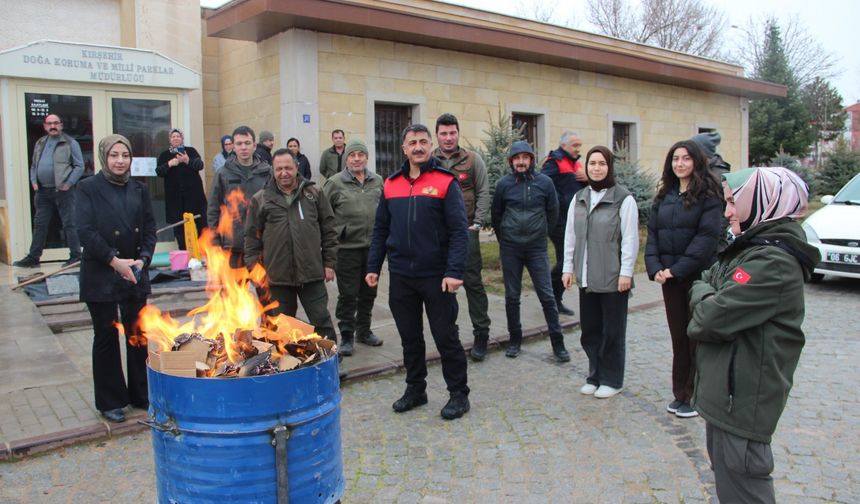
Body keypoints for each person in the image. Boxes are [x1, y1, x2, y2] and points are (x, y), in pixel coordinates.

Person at [688, 167, 819, 503]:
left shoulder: (773, 261)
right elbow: (707, 277)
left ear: (764, 202)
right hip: (726, 399)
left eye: (734, 202)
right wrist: (709, 288)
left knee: (744, 493)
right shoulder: (750, 249)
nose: (728, 211)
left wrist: (705, 292)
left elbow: (709, 318)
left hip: (741, 405)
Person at [366, 124, 470, 420]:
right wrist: (373, 266)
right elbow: (380, 229)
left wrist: (454, 271)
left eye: (424, 141)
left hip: (437, 277)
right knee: (410, 337)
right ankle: (416, 389)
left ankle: (459, 394)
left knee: (445, 336)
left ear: (431, 145)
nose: (419, 146)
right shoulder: (391, 183)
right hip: (401, 275)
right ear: (404, 148)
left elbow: (459, 232)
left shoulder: (445, 182)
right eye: (413, 142)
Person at [76, 134, 157, 424]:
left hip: (134, 272)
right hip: (102, 272)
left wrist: (143, 259)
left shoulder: (139, 189)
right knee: (106, 336)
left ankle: (141, 393)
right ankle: (111, 400)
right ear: (104, 157)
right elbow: (85, 231)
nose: (120, 160)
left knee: (138, 334)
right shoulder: (87, 188)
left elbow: (149, 229)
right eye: (114, 155)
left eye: (125, 155)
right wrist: (114, 261)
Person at [645, 140, 722, 419]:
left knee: (696, 336)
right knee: (679, 337)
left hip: (696, 277)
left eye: (686, 158)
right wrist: (655, 268)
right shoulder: (664, 195)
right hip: (670, 279)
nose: (680, 163)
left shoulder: (709, 195)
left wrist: (677, 269)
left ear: (696, 162)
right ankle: (681, 393)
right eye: (675, 158)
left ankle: (696, 394)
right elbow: (652, 234)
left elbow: (706, 239)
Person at [562, 146, 639, 399]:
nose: (596, 168)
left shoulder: (623, 199)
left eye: (602, 163)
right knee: (591, 330)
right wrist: (568, 268)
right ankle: (594, 375)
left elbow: (629, 239)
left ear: (609, 167)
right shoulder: (580, 198)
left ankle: (612, 379)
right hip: (587, 276)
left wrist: (626, 273)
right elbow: (570, 236)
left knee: (612, 331)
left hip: (613, 277)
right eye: (592, 163)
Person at [245, 149, 338, 343]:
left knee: (321, 321)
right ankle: (283, 366)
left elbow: (329, 229)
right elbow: (252, 239)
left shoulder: (314, 194)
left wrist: (329, 263)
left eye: (288, 167)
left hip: (311, 273)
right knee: (279, 327)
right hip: (277, 277)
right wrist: (254, 269)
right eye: (278, 169)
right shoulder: (261, 199)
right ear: (273, 170)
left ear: (297, 167)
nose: (283, 172)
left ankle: (333, 363)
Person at [491, 141, 569, 362]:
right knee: (512, 296)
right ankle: (515, 339)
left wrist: (542, 233)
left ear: (531, 160)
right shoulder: (503, 185)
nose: (521, 162)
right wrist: (505, 238)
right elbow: (497, 215)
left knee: (547, 295)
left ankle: (558, 343)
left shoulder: (545, 183)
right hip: (511, 248)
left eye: (525, 158)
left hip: (536, 248)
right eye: (517, 158)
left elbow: (553, 212)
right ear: (511, 161)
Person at [432, 113, 492, 361]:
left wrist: (477, 224)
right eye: (443, 133)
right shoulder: (429, 161)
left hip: (465, 232)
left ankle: (481, 333)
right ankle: (450, 333)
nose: (448, 138)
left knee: (473, 284)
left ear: (458, 133)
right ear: (437, 135)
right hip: (438, 236)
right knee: (444, 286)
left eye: (452, 133)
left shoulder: (472, 160)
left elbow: (484, 191)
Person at [323, 139, 384, 356]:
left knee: (369, 292)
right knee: (348, 294)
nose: (357, 159)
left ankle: (364, 331)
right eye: (352, 155)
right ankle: (347, 335)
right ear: (346, 159)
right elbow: (324, 216)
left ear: (367, 157)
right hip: (346, 249)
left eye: (361, 154)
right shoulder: (334, 183)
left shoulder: (377, 181)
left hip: (373, 249)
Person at [14, 114, 84, 268]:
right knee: (40, 224)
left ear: (61, 125)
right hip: (43, 192)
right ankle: (33, 257)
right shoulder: (40, 142)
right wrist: (34, 181)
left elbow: (80, 166)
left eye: (56, 123)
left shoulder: (70, 143)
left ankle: (76, 256)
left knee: (69, 224)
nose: (53, 126)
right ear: (45, 126)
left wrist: (69, 183)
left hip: (63, 191)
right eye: (49, 123)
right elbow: (33, 165)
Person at [207, 126, 271, 267]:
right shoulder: (223, 174)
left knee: (265, 287)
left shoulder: (267, 172)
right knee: (235, 288)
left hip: (262, 244)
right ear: (233, 147)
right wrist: (215, 241)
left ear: (254, 146)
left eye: (247, 143)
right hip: (233, 244)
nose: (243, 148)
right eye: (239, 144)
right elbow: (213, 209)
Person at [541, 130, 588, 316]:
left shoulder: (576, 163)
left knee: (570, 260)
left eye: (579, 145)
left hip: (574, 219)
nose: (578, 149)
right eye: (575, 145)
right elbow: (543, 183)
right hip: (559, 220)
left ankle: (553, 297)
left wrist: (588, 178)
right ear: (564, 146)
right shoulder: (554, 162)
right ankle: (551, 296)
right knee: (566, 260)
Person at [155, 128, 208, 249]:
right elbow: (158, 172)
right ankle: (184, 254)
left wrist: (187, 160)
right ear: (170, 140)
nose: (175, 138)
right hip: (176, 200)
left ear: (182, 138)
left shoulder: (190, 151)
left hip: (194, 198)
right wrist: (169, 164)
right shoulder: (165, 155)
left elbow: (200, 165)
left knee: (201, 225)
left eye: (178, 136)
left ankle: (203, 252)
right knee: (179, 228)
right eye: (173, 137)